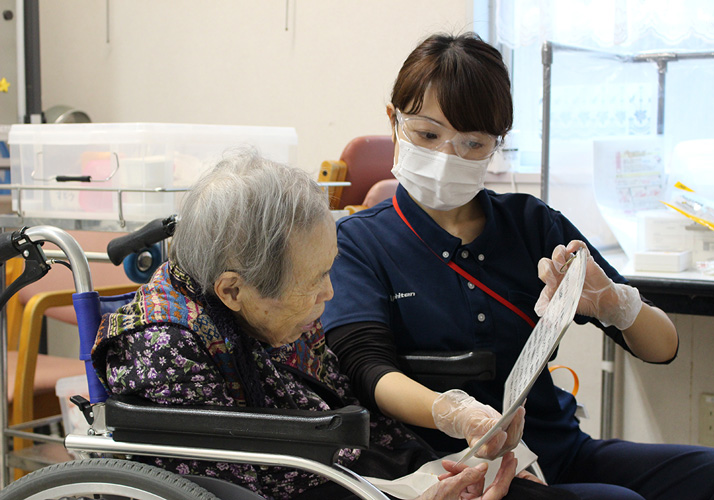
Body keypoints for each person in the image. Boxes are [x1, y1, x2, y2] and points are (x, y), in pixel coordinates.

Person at [320, 32, 714, 500]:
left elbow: (662, 347)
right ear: (394, 121)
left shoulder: (533, 224)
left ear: (496, 144)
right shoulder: (360, 241)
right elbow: (369, 369)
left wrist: (615, 305)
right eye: (427, 134)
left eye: (472, 143)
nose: (447, 156)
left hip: (557, 448)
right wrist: (456, 414)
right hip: (451, 466)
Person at [91, 149, 578, 500]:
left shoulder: (272, 309)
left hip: (371, 472)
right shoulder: (161, 350)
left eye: (329, 269)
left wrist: (458, 448)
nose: (329, 294)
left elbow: (346, 397)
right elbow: (229, 489)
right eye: (313, 281)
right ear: (232, 290)